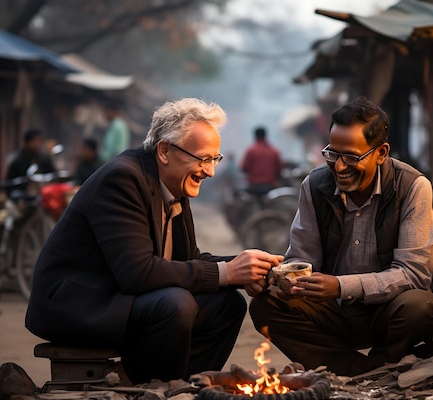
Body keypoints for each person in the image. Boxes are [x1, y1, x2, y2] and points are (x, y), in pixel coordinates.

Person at [25, 98, 284, 384]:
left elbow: (189, 260)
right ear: (164, 151)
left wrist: (243, 267)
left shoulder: (174, 184)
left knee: (226, 304)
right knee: (175, 304)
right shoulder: (123, 178)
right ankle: (152, 391)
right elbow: (138, 273)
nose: (209, 171)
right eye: (203, 158)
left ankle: (184, 388)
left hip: (119, 299)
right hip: (78, 305)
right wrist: (227, 273)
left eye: (214, 159)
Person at [249, 97, 433, 376]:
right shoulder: (315, 185)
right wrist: (278, 277)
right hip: (334, 313)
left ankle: (383, 363)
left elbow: (414, 274)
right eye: (332, 154)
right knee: (267, 305)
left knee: (421, 306)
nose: (340, 167)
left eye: (352, 157)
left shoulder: (413, 187)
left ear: (381, 153)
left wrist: (342, 286)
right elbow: (303, 258)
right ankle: (350, 366)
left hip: (388, 312)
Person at [240, 126, 282, 200]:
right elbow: (279, 169)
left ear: (255, 136)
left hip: (254, 185)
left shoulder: (251, 151)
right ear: (265, 135)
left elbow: (244, 167)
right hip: (269, 186)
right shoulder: (274, 151)